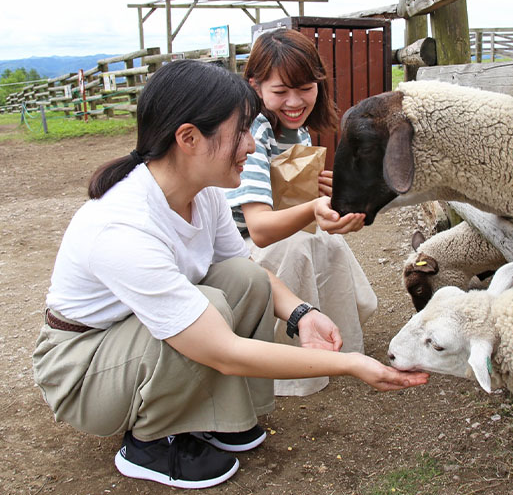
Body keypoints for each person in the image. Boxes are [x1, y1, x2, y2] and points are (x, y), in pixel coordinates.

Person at [32, 60, 428, 490]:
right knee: (211, 305)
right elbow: (221, 350)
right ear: (188, 138)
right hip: (83, 371)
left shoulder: (204, 195)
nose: (252, 147)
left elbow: (247, 270)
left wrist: (302, 314)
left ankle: (218, 416)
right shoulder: (123, 228)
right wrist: (348, 363)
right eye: (241, 132)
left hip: (128, 340)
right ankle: (153, 443)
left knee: (243, 277)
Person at [224, 28, 377, 396]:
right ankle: (289, 367)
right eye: (280, 92)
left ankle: (337, 343)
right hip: (234, 244)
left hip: (271, 231)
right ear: (255, 86)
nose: (294, 101)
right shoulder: (251, 134)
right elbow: (258, 228)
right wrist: (313, 207)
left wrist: (326, 201)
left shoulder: (298, 132)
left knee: (326, 241)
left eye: (305, 88)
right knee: (297, 247)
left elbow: (294, 205)